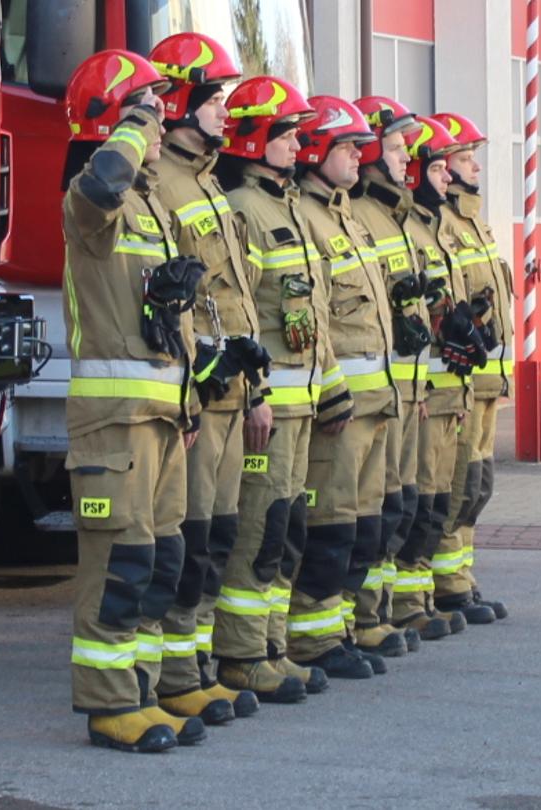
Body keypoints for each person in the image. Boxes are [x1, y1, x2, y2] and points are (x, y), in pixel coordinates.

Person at [56, 49, 196, 753]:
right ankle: (110, 706)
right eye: (151, 107)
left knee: (158, 562)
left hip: (162, 420)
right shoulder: (91, 202)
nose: (165, 123)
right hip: (113, 424)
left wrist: (189, 406)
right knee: (119, 566)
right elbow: (102, 183)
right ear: (119, 114)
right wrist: (137, 123)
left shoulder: (152, 206)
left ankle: (140, 692)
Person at [211, 74, 346, 704]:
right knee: (259, 531)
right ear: (255, 138)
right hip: (270, 408)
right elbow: (238, 314)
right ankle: (241, 654)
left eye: (297, 135)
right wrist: (256, 393)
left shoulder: (287, 206)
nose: (298, 146)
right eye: (286, 135)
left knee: (285, 528)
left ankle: (271, 645)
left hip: (302, 404)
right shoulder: (245, 208)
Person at [146, 31, 263, 728]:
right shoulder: (163, 183)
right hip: (195, 399)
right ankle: (171, 675)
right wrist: (188, 397)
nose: (229, 111)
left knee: (216, 537)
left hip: (229, 393)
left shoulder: (211, 185)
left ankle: (194, 668)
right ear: (181, 99)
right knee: (182, 543)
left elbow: (236, 295)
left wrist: (255, 388)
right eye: (216, 98)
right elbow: (163, 306)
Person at [287, 94, 401, 679]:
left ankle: (343, 625)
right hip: (340, 406)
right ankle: (313, 636)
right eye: (348, 148)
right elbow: (316, 317)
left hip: (375, 400)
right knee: (329, 522)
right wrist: (331, 389)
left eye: (361, 148)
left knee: (362, 524)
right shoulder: (305, 215)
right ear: (315, 151)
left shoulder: (346, 213)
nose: (360, 157)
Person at [347, 94, 433, 657]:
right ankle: (357, 616)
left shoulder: (396, 216)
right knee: (361, 509)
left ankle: (372, 612)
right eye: (400, 148)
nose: (410, 160)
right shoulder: (363, 217)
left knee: (392, 506)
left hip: (402, 387)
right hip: (369, 392)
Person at [394, 118, 480, 639]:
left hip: (450, 383)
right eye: (439, 165)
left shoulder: (440, 224)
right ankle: (406, 602)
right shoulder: (410, 226)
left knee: (449, 493)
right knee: (417, 498)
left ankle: (424, 593)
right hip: (419, 389)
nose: (449, 175)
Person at [428, 111, 512, 624]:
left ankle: (463, 573)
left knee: (477, 484)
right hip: (457, 381)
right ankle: (446, 581)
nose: (474, 165)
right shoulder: (445, 224)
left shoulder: (474, 221)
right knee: (456, 480)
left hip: (486, 381)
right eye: (463, 158)